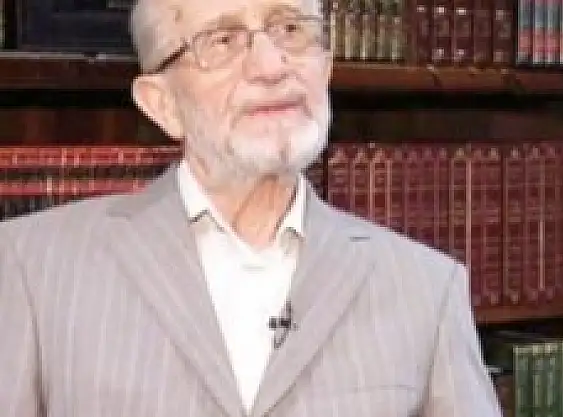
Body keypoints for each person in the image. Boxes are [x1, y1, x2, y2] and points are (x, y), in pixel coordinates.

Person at [0, 0, 501, 415]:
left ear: (325, 70)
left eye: (290, 29)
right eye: (222, 40)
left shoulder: (427, 290)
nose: (271, 66)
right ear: (161, 104)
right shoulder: (34, 269)